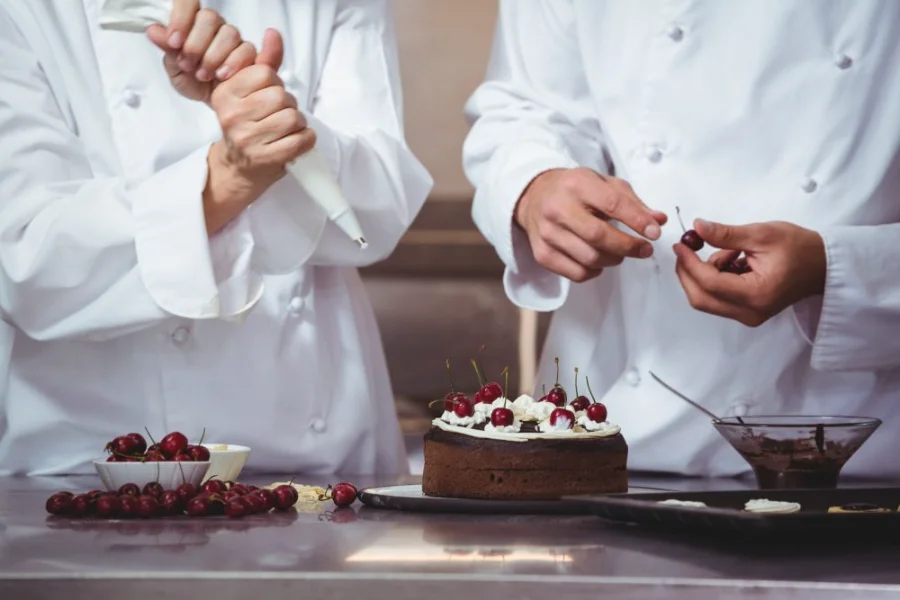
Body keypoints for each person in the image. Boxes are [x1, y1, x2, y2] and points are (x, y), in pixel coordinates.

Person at [463, 1, 900, 477]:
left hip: (863, 447)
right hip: (605, 437)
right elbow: (526, 104)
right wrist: (534, 184)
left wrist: (837, 268)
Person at [0, 0, 432, 475]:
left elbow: (380, 213)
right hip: (92, 463)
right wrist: (223, 179)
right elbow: (25, 260)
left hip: (320, 459)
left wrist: (282, 132)